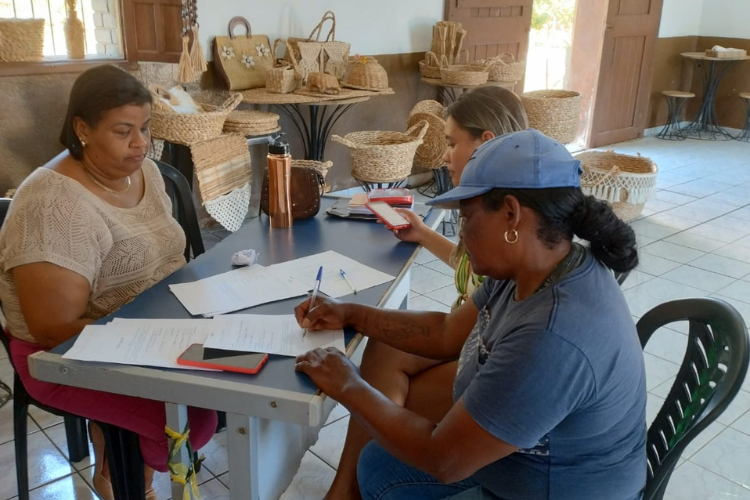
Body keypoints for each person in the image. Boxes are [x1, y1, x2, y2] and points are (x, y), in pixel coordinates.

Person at [295, 129, 646, 500]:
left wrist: (348, 385)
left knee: (385, 476)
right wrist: (350, 313)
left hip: (556, 489)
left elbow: (445, 460)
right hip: (522, 461)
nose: (461, 235)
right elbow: (445, 332)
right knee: (377, 465)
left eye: (467, 217)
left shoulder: (552, 335)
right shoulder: (534, 267)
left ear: (511, 214)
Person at [0, 65, 217, 500]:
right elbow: (51, 329)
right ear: (82, 128)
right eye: (124, 131)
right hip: (62, 354)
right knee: (190, 419)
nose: (141, 144)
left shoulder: (146, 172)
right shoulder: (52, 204)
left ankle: (117, 462)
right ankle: (127, 482)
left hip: (149, 327)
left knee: (244, 372)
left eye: (146, 127)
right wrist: (157, 334)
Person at [319, 87, 529, 500]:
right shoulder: (498, 228)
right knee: (383, 350)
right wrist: (424, 234)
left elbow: (454, 327)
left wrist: (351, 385)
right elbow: (470, 280)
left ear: (486, 143)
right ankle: (350, 487)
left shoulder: (511, 242)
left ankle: (355, 486)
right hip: (472, 338)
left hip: (487, 357)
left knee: (391, 396)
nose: (444, 156)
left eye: (451, 143)